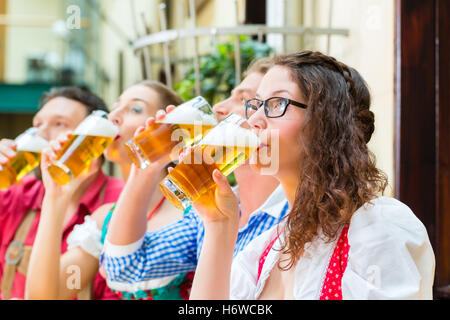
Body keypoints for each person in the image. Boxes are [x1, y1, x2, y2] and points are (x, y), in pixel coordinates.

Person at [188, 51, 436, 300]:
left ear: (327, 121)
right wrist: (219, 226)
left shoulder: (379, 227)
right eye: (257, 104)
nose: (254, 119)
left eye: (276, 104)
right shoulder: (265, 251)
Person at [100, 57, 289, 290]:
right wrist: (146, 169)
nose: (219, 107)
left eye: (244, 99)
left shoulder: (296, 219)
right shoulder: (211, 211)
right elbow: (125, 270)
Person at [25, 81, 193, 300]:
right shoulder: (104, 220)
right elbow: (45, 297)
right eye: (116, 106)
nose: (112, 116)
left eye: (135, 109)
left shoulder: (195, 208)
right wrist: (55, 197)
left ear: (169, 129)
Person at [0, 86, 124, 300]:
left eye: (59, 124)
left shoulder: (119, 202)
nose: (41, 134)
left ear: (91, 136)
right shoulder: (17, 195)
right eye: (37, 124)